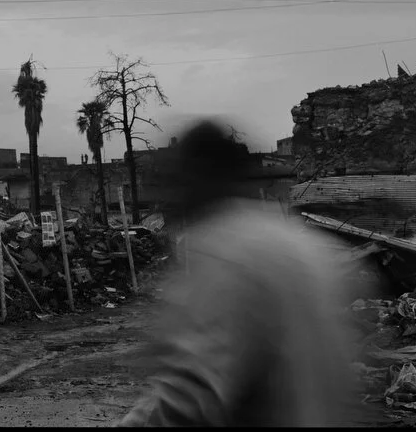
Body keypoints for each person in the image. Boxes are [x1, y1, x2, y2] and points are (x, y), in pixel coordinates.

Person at [117, 119, 362, 427]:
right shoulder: (307, 246)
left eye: (175, 181)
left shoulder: (225, 250)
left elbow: (193, 391)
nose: (170, 196)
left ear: (200, 177)